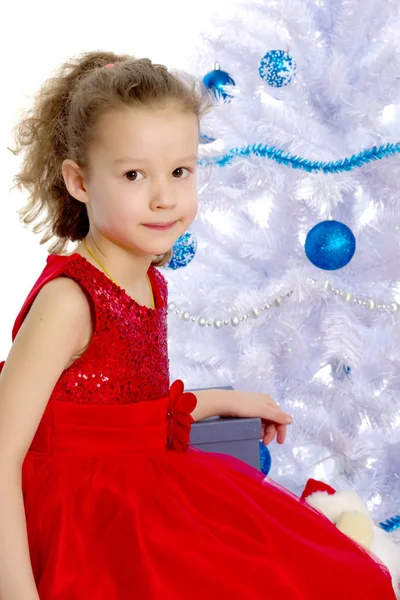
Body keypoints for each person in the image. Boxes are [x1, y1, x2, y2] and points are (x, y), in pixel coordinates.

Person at [0, 51, 395, 600]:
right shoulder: (70, 301)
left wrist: (212, 402)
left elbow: (114, 412)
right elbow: (3, 448)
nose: (165, 197)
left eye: (180, 171)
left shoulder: (150, 282)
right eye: (134, 174)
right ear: (80, 181)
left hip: (143, 486)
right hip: (79, 522)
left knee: (320, 575)